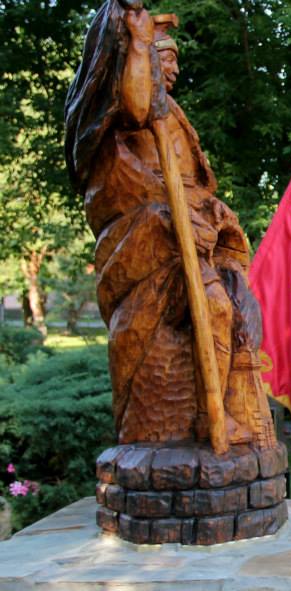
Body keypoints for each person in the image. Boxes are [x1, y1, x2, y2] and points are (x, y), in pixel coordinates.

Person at [65, 6, 274, 447]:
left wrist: (213, 215)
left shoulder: (173, 114)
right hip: (157, 238)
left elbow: (195, 181)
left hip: (192, 228)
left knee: (237, 310)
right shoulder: (132, 111)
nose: (175, 68)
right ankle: (207, 416)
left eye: (175, 59)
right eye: (167, 58)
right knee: (214, 308)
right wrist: (139, 41)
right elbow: (137, 106)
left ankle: (225, 410)